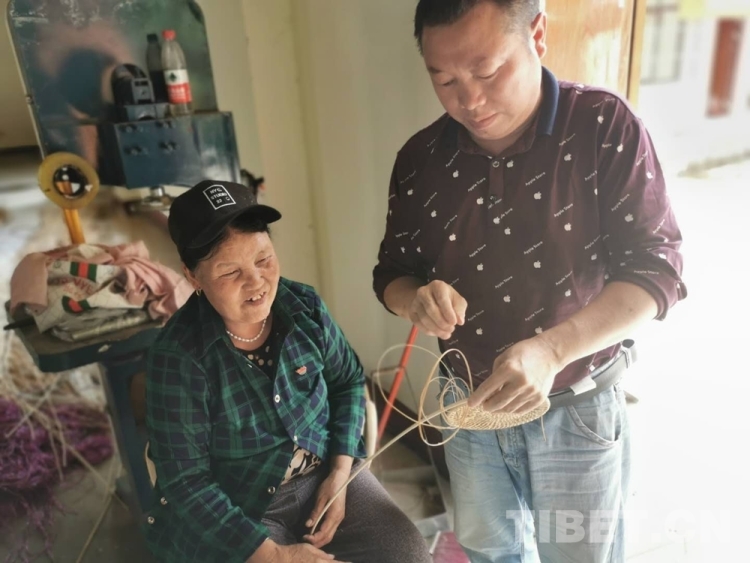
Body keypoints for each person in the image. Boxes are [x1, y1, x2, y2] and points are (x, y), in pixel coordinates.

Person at [372, 1, 686, 562]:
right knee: (489, 553)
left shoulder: (601, 125)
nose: (469, 100)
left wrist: (550, 351)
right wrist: (415, 299)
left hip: (577, 407)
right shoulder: (420, 160)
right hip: (466, 407)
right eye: (445, 80)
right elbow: (392, 273)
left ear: (537, 35)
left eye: (488, 71)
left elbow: (656, 269)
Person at [144, 180, 431, 563]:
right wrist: (274, 555)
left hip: (324, 470)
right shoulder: (178, 356)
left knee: (409, 555)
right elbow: (185, 480)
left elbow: (346, 381)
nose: (256, 282)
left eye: (263, 259)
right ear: (193, 276)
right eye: (230, 272)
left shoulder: (304, 307)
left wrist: (340, 473)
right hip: (241, 503)